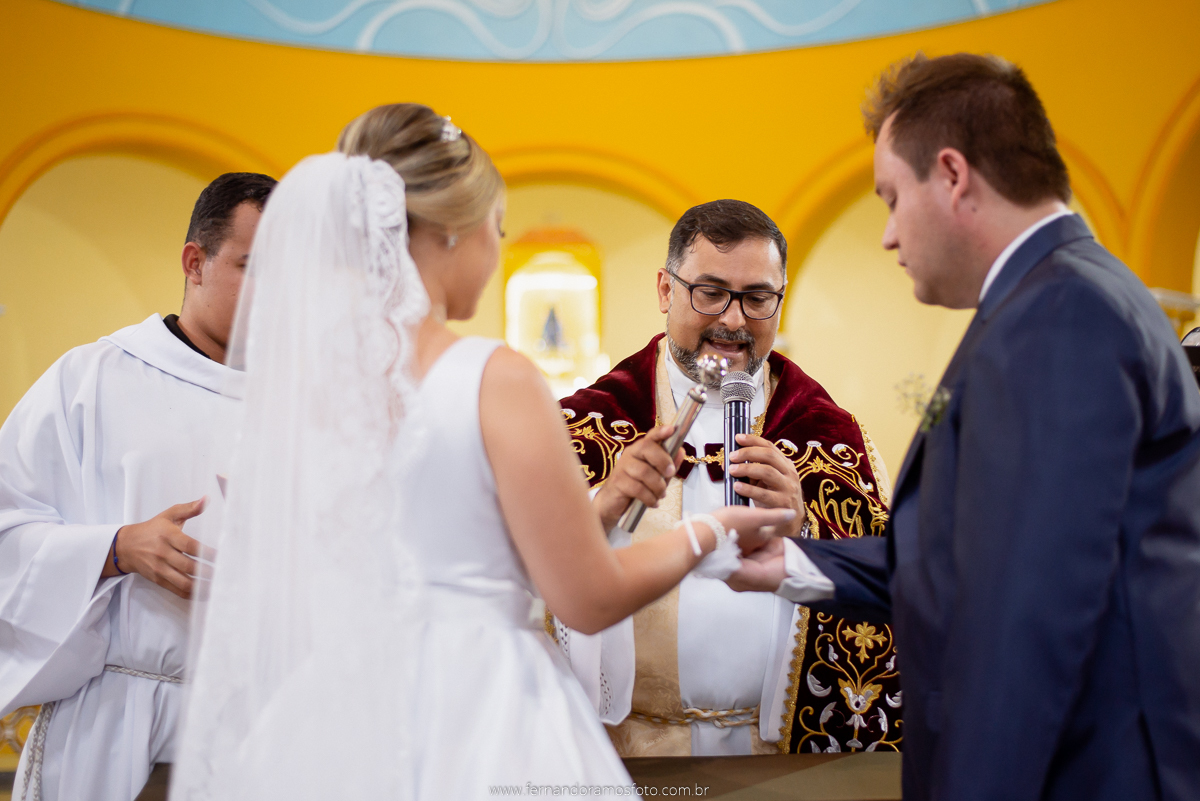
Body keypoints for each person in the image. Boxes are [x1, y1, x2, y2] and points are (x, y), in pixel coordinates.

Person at [169, 104, 793, 800]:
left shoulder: (301, 386)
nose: (496, 250)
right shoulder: (492, 377)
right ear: (454, 232)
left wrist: (610, 498)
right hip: (475, 713)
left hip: (338, 713)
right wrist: (713, 532)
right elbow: (584, 597)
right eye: (497, 228)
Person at [728, 53, 1200, 801]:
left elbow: (1025, 621)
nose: (887, 235)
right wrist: (793, 562)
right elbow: (982, 556)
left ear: (951, 174)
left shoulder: (1059, 317)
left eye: (890, 197)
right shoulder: (1058, 296)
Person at [553, 199, 900, 756]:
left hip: (781, 760)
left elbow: (890, 600)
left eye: (758, 298)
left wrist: (809, 529)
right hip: (628, 755)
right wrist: (602, 506)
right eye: (710, 292)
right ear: (667, 290)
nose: (734, 320)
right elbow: (529, 589)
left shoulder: (834, 442)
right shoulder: (583, 430)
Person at [0, 171, 276, 801]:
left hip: (260, 733)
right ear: (195, 262)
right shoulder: (92, 378)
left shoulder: (307, 408)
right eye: (253, 267)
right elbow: (5, 529)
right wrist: (117, 548)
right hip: (120, 721)